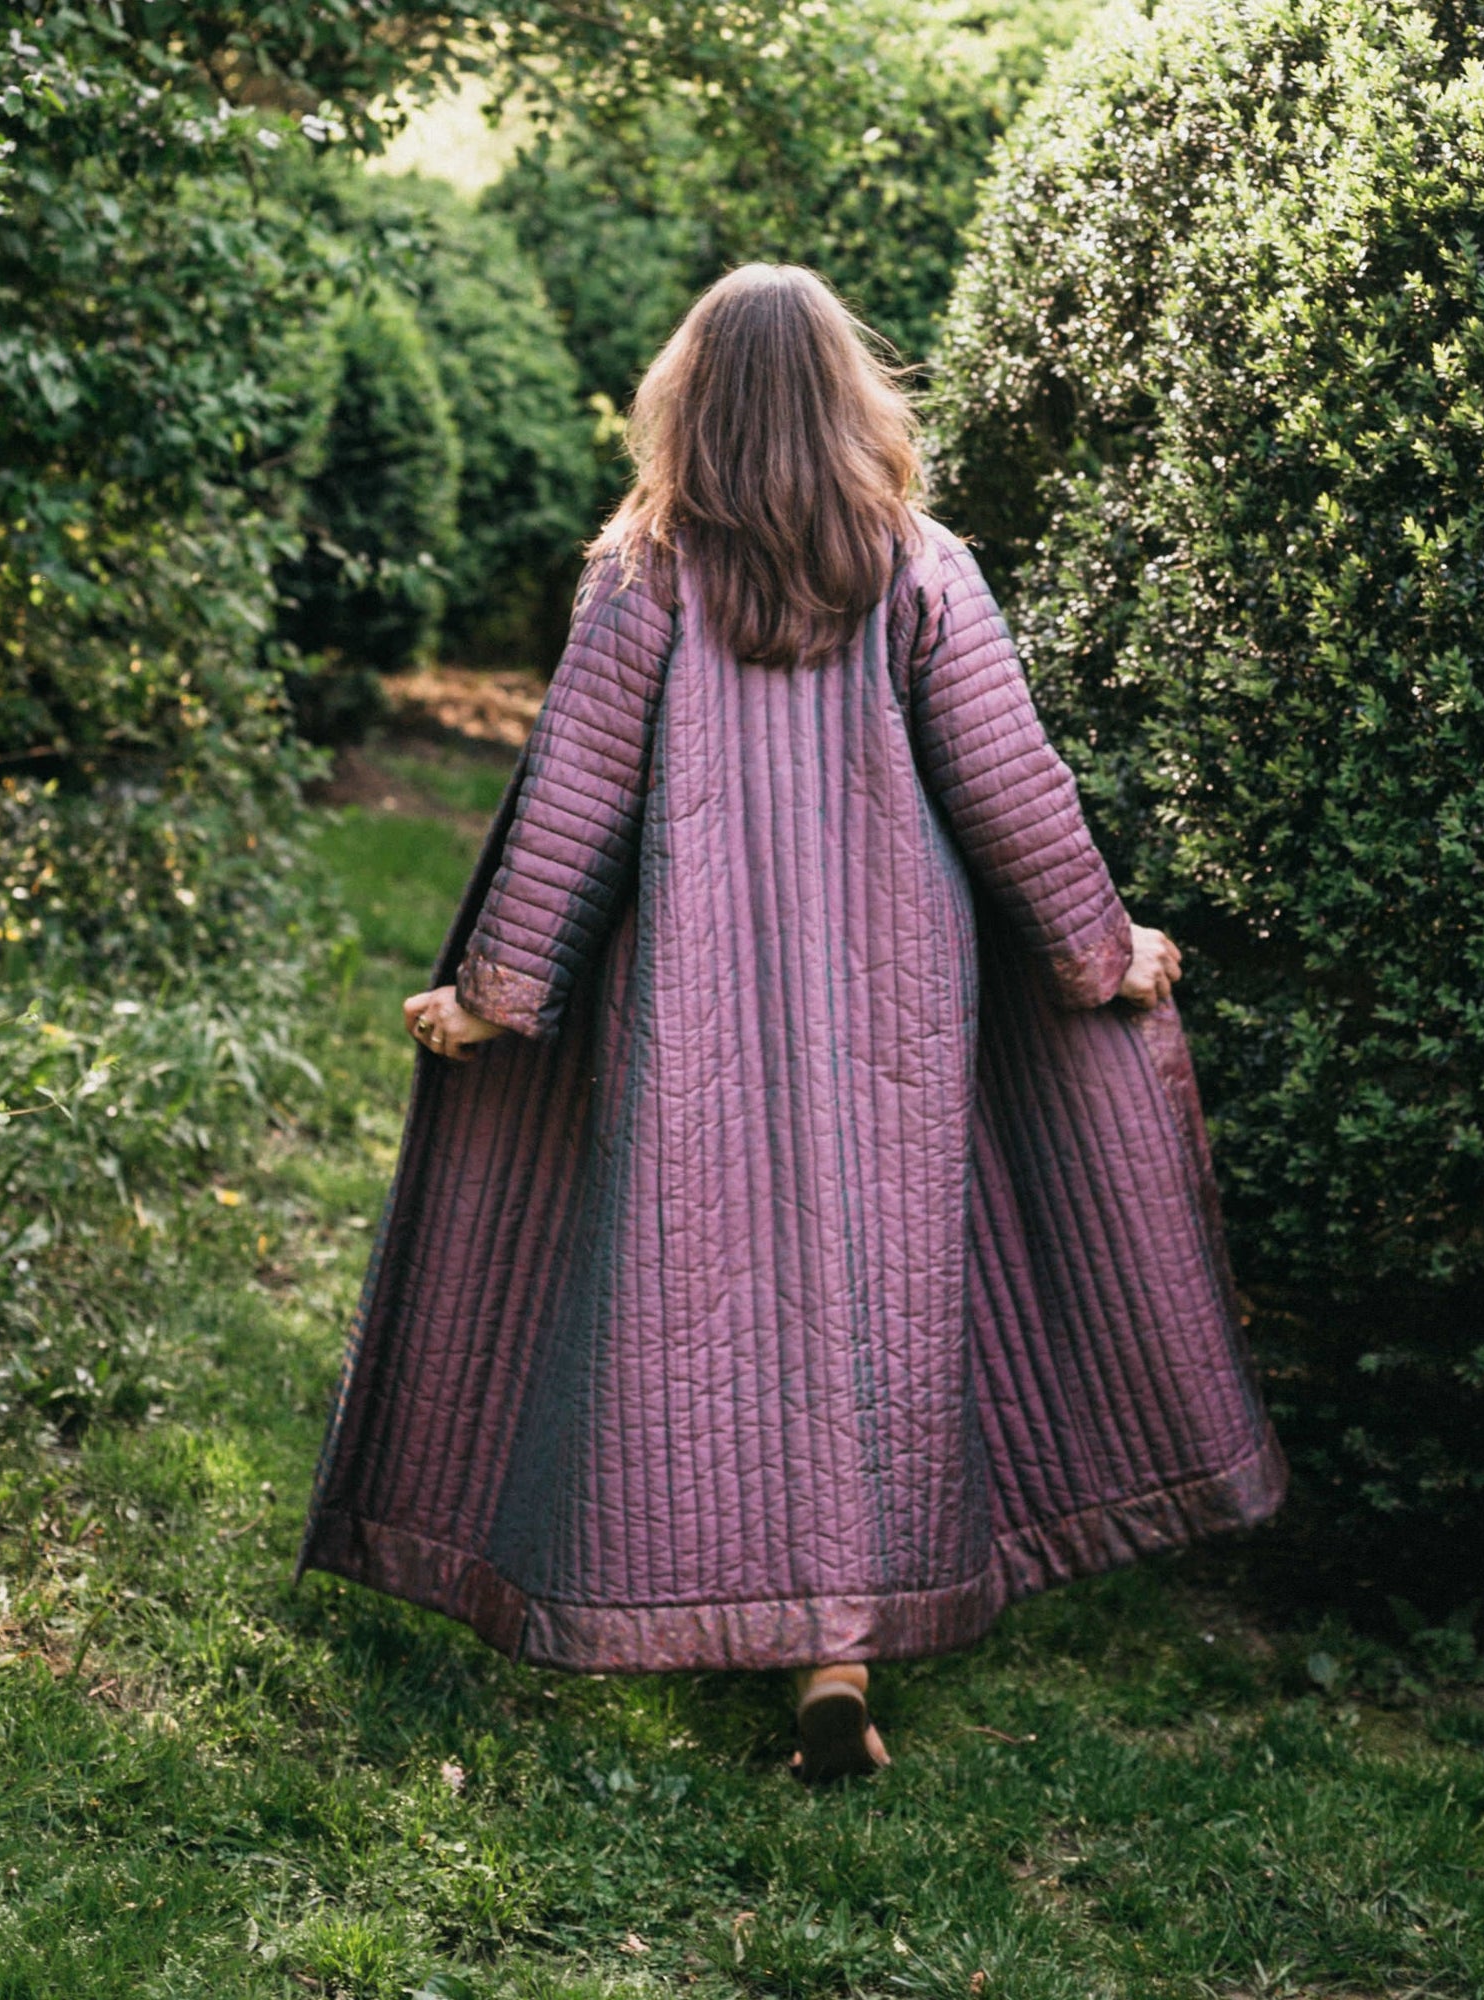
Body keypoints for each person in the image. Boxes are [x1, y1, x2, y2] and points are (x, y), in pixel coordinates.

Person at [297, 264, 1284, 1783]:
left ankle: (713, 1600)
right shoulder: (920, 565)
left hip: (683, 1020)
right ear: (849, 397)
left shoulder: (646, 576)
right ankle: (838, 1655)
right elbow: (1016, 795)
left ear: (687, 405)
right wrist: (1104, 952)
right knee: (864, 1313)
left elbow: (574, 803)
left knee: (698, 1324)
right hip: (897, 1031)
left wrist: (498, 997)